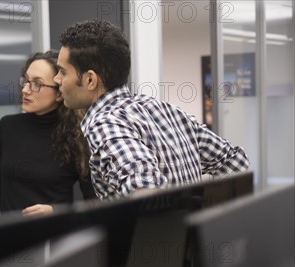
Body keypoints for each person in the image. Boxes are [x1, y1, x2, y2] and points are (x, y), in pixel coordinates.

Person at [54, 19, 250, 200]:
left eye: (62, 72)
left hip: (152, 239)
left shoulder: (105, 122)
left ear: (90, 80)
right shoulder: (163, 109)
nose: (57, 79)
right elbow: (235, 163)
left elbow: (145, 188)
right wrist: (197, 208)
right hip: (192, 237)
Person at [0, 50, 96, 222]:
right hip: (8, 242)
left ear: (59, 93)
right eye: (26, 81)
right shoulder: (6, 127)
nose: (25, 89)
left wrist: (58, 211)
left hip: (54, 241)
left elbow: (93, 201)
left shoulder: (77, 136)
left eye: (37, 84)